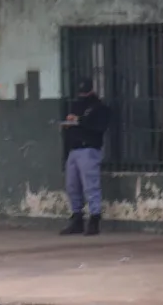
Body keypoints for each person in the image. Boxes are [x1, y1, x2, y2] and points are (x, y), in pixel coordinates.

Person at [60, 79, 112, 236]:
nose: (82, 95)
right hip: (74, 149)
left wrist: (79, 121)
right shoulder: (76, 105)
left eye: (85, 91)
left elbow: (98, 127)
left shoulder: (99, 107)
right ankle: (77, 218)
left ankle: (94, 219)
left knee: (91, 186)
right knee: (72, 186)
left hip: (89, 149)